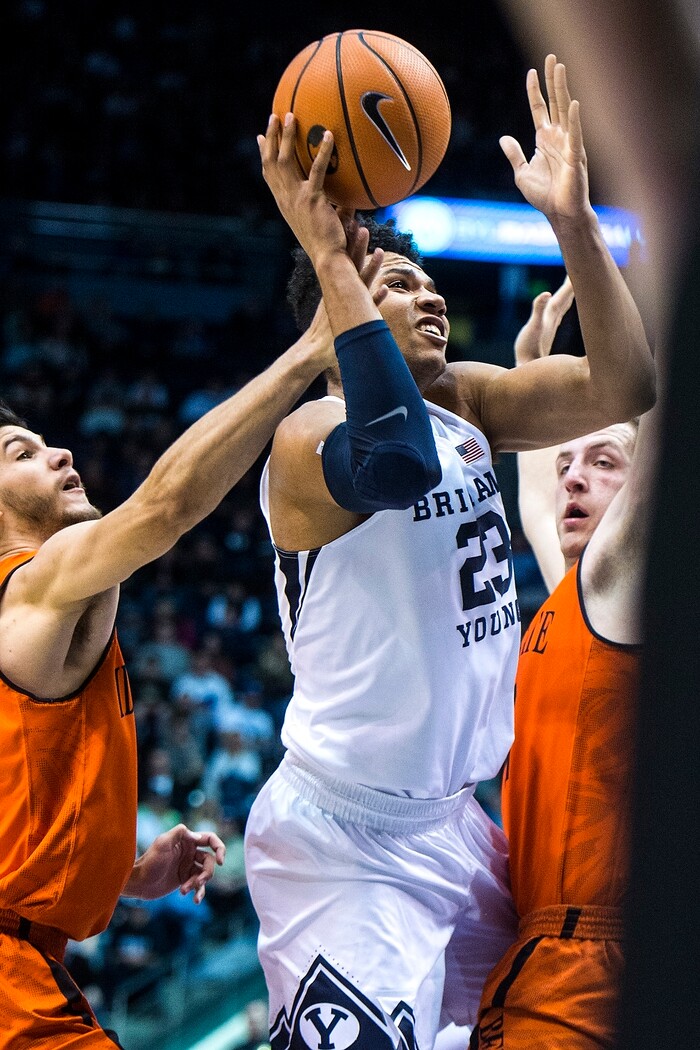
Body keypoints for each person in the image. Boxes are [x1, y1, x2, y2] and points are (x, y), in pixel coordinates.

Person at [243, 55, 655, 1050]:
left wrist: (573, 223)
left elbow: (625, 384)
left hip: (453, 826)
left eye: (430, 285)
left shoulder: (468, 400)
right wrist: (334, 260)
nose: (428, 299)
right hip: (345, 831)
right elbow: (389, 461)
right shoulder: (309, 440)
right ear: (337, 313)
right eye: (397, 285)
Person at [0, 305, 340, 1048]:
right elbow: (167, 505)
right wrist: (310, 351)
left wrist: (118, 876)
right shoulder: (27, 584)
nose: (59, 454)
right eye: (22, 453)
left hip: (34, 961)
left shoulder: (46, 611)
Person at [469, 274, 658, 1048]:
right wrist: (531, 372)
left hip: (596, 957)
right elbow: (537, 499)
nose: (574, 475)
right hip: (538, 952)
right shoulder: (571, 598)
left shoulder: (627, 588)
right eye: (569, 461)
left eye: (605, 462)